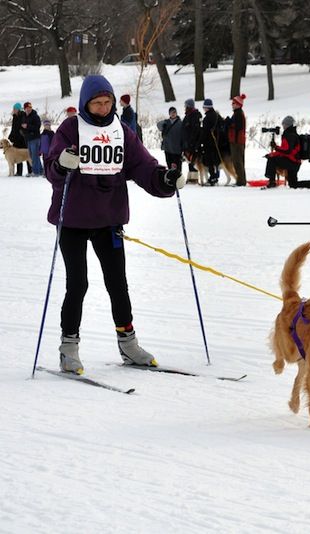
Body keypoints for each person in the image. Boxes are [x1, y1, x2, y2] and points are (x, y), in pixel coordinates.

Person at [44, 74, 185, 375]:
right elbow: (53, 168)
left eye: (108, 102)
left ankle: (128, 342)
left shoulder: (121, 131)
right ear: (85, 103)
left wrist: (164, 178)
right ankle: (69, 347)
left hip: (109, 219)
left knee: (117, 283)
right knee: (77, 283)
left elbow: (142, 166)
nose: (104, 108)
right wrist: (60, 165)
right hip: (73, 219)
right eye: (97, 103)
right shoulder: (71, 128)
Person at [264, 116, 310, 189]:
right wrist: (272, 154)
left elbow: (287, 151)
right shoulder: (292, 134)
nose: (283, 126)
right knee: (293, 184)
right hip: (295, 163)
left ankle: (272, 182)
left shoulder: (288, 135)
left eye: (284, 124)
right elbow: (285, 151)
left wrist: (275, 148)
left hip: (291, 162)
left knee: (272, 160)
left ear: (287, 125)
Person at [200, 98, 222, 185]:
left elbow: (205, 132)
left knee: (209, 161)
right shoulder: (217, 115)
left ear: (207, 107)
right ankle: (216, 177)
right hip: (217, 141)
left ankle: (212, 178)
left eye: (204, 107)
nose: (203, 109)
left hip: (208, 142)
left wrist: (200, 141)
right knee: (216, 160)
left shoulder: (206, 118)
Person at [157, 106, 184, 175]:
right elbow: (159, 125)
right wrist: (164, 122)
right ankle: (170, 177)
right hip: (168, 148)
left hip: (177, 148)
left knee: (177, 165)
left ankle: (178, 178)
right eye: (171, 113)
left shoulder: (180, 123)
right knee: (169, 164)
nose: (173, 114)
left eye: (174, 112)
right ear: (169, 114)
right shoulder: (166, 123)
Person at [181, 98, 203, 183]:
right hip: (187, 142)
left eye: (185, 106)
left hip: (193, 142)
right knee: (189, 160)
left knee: (194, 160)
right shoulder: (188, 115)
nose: (184, 107)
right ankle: (190, 177)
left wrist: (191, 142)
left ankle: (194, 178)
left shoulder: (195, 115)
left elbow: (195, 130)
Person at [228, 94, 247, 186]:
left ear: (238, 104)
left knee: (237, 161)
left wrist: (229, 123)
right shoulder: (237, 113)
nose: (232, 105)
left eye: (234, 103)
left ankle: (241, 181)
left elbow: (238, 127)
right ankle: (241, 180)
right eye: (232, 103)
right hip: (237, 140)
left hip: (237, 141)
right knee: (238, 161)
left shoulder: (238, 113)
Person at [20, 102, 43, 176]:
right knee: (31, 155)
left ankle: (35, 172)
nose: (28, 109)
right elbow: (22, 126)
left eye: (30, 108)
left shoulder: (35, 116)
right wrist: (23, 130)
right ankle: (40, 171)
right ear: (24, 109)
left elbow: (37, 127)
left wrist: (27, 126)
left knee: (34, 155)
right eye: (27, 108)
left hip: (35, 138)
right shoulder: (24, 116)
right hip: (28, 139)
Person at [9, 103, 28, 176]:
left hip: (22, 139)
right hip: (16, 139)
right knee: (17, 156)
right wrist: (11, 136)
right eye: (13, 109)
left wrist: (20, 135)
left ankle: (30, 171)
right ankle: (19, 172)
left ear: (18, 109)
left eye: (15, 109)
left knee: (27, 154)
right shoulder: (14, 116)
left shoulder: (23, 115)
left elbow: (21, 128)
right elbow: (14, 128)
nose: (13, 110)